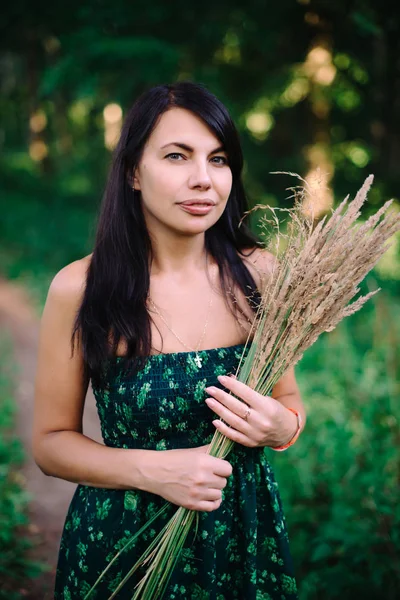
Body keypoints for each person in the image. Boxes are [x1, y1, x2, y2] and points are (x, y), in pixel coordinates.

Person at [33, 81, 306, 599]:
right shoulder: (81, 289)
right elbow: (50, 445)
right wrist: (157, 471)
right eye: (177, 156)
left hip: (242, 540)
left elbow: (289, 405)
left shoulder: (261, 276)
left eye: (219, 159)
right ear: (134, 171)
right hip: (123, 544)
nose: (203, 179)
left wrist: (281, 427)